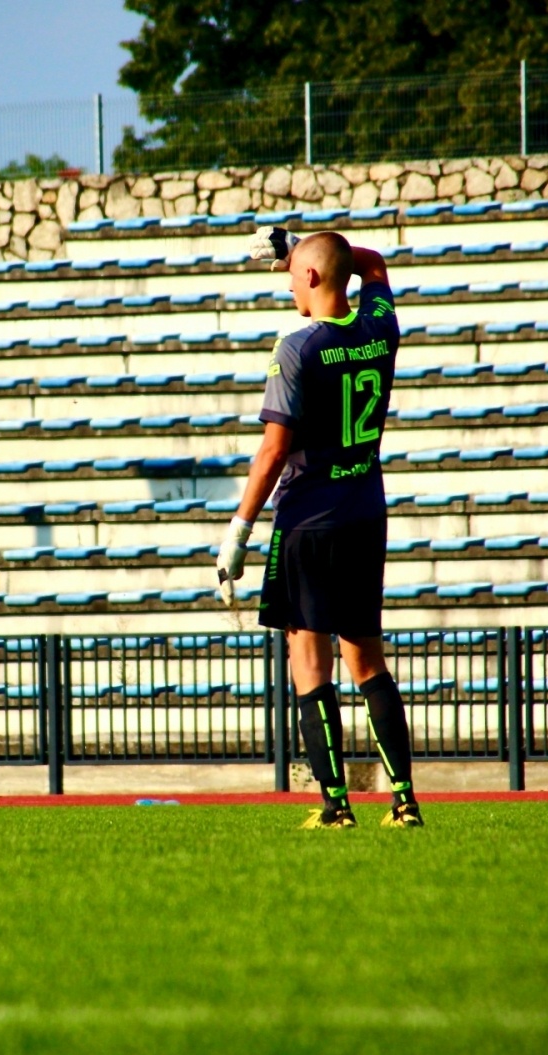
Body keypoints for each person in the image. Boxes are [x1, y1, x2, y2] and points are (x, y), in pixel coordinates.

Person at [217, 227, 422, 830]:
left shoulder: (296, 348)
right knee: (368, 662)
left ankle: (336, 806)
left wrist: (238, 532)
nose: (285, 285)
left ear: (309, 278)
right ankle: (404, 801)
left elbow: (274, 448)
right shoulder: (380, 329)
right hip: (365, 514)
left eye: (290, 276)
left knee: (308, 661)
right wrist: (299, 246)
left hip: (307, 521)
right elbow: (373, 262)